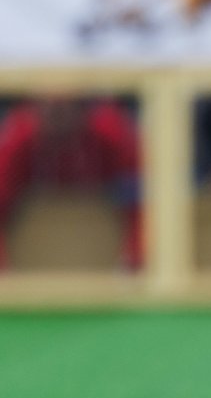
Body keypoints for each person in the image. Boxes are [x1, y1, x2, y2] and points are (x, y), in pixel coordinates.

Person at [0, 97, 142, 270]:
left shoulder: (111, 133)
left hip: (102, 259)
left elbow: (141, 204)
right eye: (50, 106)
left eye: (65, 105)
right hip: (33, 262)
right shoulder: (19, 136)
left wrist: (134, 261)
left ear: (84, 107)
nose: (57, 115)